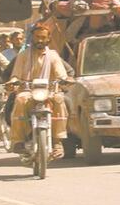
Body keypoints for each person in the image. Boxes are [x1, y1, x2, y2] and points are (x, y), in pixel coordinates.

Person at [8, 25, 73, 160]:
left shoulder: (53, 56)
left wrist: (65, 80)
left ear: (48, 39)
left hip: (49, 92)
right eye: (37, 37)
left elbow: (61, 74)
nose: (40, 40)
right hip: (28, 91)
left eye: (43, 37)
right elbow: (16, 75)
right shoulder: (23, 55)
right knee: (20, 99)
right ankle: (18, 140)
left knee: (60, 100)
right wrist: (13, 81)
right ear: (32, 38)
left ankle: (57, 141)